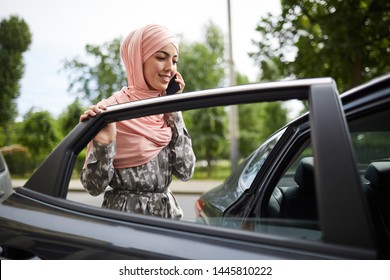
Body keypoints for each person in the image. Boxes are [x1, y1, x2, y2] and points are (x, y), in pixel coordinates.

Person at [79, 24, 196, 219]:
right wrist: (104, 143)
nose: (170, 68)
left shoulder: (164, 109)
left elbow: (186, 171)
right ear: (138, 59)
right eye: (161, 57)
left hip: (168, 222)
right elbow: (93, 186)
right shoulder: (111, 110)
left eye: (174, 61)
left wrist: (173, 106)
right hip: (126, 223)